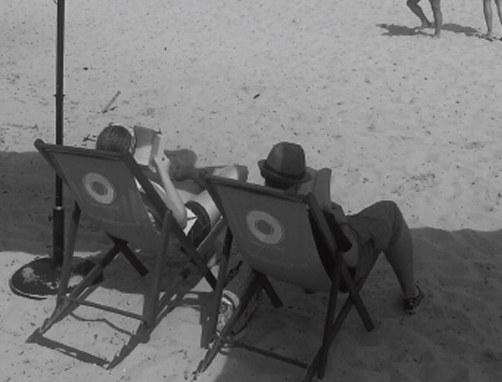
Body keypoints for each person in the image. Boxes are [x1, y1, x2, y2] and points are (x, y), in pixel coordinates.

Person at [218, 142, 425, 332]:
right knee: (389, 211)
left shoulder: (245, 207)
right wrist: (341, 221)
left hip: (272, 261)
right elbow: (351, 258)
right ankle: (411, 294)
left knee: (354, 224)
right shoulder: (312, 216)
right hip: (329, 274)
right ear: (298, 183)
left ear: (264, 174)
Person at [95, 124, 247, 245]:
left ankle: (190, 173)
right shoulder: (143, 189)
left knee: (197, 184)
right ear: (130, 152)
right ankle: (191, 173)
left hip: (141, 230)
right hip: (184, 234)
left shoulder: (99, 185)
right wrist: (164, 174)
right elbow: (180, 220)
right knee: (237, 172)